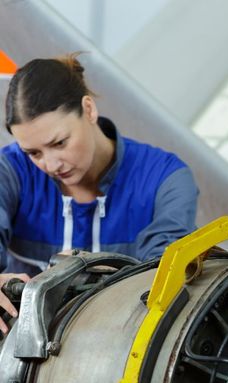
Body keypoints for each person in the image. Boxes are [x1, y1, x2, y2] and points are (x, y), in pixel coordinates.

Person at [0, 54, 198, 331]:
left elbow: (164, 277)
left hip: (126, 345)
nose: (51, 164)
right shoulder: (8, 170)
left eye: (60, 143)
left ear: (89, 109)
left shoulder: (166, 179)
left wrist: (91, 272)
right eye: (33, 153)